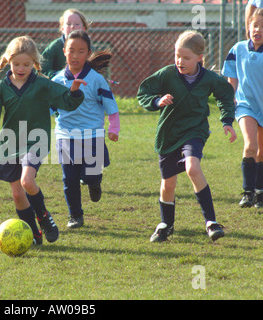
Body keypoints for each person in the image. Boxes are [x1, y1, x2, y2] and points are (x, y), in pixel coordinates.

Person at [0, 35, 85, 245]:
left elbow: (67, 101)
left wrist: (73, 92)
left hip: (35, 140)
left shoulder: (41, 84)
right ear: (8, 62)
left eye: (27, 64)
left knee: (27, 181)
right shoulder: (2, 87)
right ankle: (34, 234)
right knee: (18, 195)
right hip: (10, 142)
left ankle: (44, 217)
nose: (21, 68)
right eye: (17, 64)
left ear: (34, 63)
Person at [137, 30, 237, 243]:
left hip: (195, 131)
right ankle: (166, 225)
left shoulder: (209, 79)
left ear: (200, 58)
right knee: (168, 184)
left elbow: (226, 94)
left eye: (186, 57)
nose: (180, 61)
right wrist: (157, 101)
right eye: (177, 55)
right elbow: (144, 91)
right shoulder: (167, 74)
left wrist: (227, 121)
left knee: (192, 167)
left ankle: (211, 222)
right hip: (169, 134)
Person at [52, 30, 119, 229]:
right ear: (64, 51)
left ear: (88, 53)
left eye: (81, 51)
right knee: (69, 179)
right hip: (65, 135)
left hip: (93, 136)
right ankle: (75, 216)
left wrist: (114, 127)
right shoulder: (56, 81)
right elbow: (50, 107)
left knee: (90, 176)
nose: (75, 55)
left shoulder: (96, 79)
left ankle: (94, 182)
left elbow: (110, 105)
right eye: (71, 51)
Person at [222, 8, 263, 208]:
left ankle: (259, 192)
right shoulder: (238, 49)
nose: (258, 30)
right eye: (255, 25)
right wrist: (230, 103)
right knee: (250, 146)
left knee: (262, 152)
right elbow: (232, 81)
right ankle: (247, 192)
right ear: (248, 27)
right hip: (246, 105)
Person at [41, 8, 89, 78]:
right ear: (62, 28)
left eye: (77, 24)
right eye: (68, 24)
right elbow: (42, 71)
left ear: (83, 29)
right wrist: (63, 74)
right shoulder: (54, 47)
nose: (72, 26)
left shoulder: (89, 48)